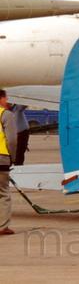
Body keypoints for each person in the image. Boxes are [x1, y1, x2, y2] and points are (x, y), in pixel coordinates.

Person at [0, 90, 17, 235]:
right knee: (3, 193)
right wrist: (13, 157)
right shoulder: (6, 115)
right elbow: (11, 140)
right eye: (6, 98)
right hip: (1, 158)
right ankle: (2, 227)